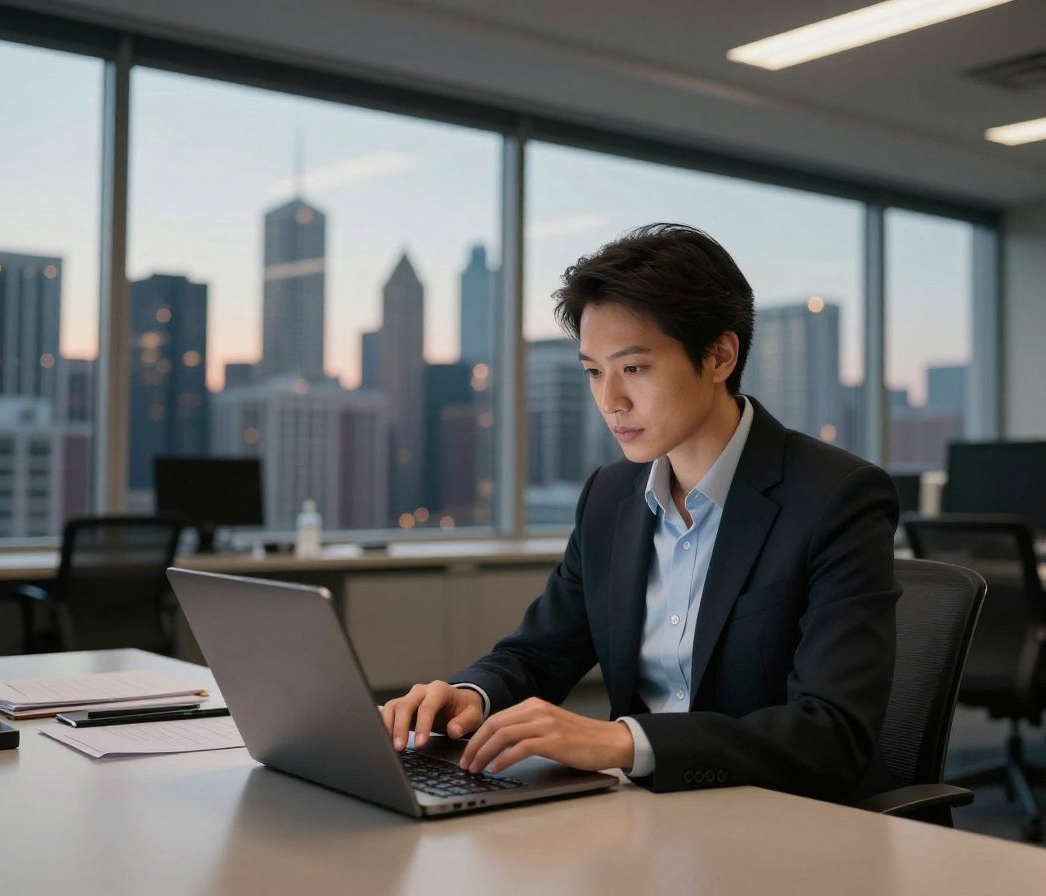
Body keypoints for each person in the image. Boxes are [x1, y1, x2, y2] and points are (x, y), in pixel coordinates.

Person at [381, 223, 900, 799]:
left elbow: (833, 735)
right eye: (594, 372)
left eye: (634, 368)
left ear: (720, 356)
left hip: (781, 824)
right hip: (639, 819)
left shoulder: (836, 497)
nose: (610, 402)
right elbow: (538, 653)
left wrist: (625, 743)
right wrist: (468, 696)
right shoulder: (610, 496)